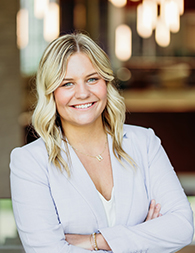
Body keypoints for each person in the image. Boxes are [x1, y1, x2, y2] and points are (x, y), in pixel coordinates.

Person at [10, 32, 194, 253]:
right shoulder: (29, 162)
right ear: (51, 93)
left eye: (92, 79)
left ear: (106, 82)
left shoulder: (144, 143)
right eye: (67, 83)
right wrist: (144, 237)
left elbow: (182, 227)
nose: (83, 93)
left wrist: (96, 242)